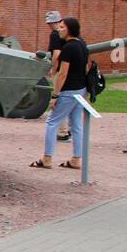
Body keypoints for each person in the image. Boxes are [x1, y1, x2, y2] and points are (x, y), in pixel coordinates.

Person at [31, 17, 88, 170]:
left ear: (69, 29)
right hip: (81, 90)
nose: (59, 29)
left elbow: (63, 73)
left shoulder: (69, 47)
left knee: (52, 122)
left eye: (62, 27)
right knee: (76, 125)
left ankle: (47, 158)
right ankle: (76, 159)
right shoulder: (82, 44)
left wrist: (55, 95)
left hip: (69, 91)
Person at [43, 10, 71, 141]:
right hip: (70, 69)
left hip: (61, 70)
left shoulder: (55, 35)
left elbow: (57, 54)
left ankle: (62, 131)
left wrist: (53, 68)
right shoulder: (68, 33)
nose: (49, 26)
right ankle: (68, 130)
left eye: (50, 23)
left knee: (58, 100)